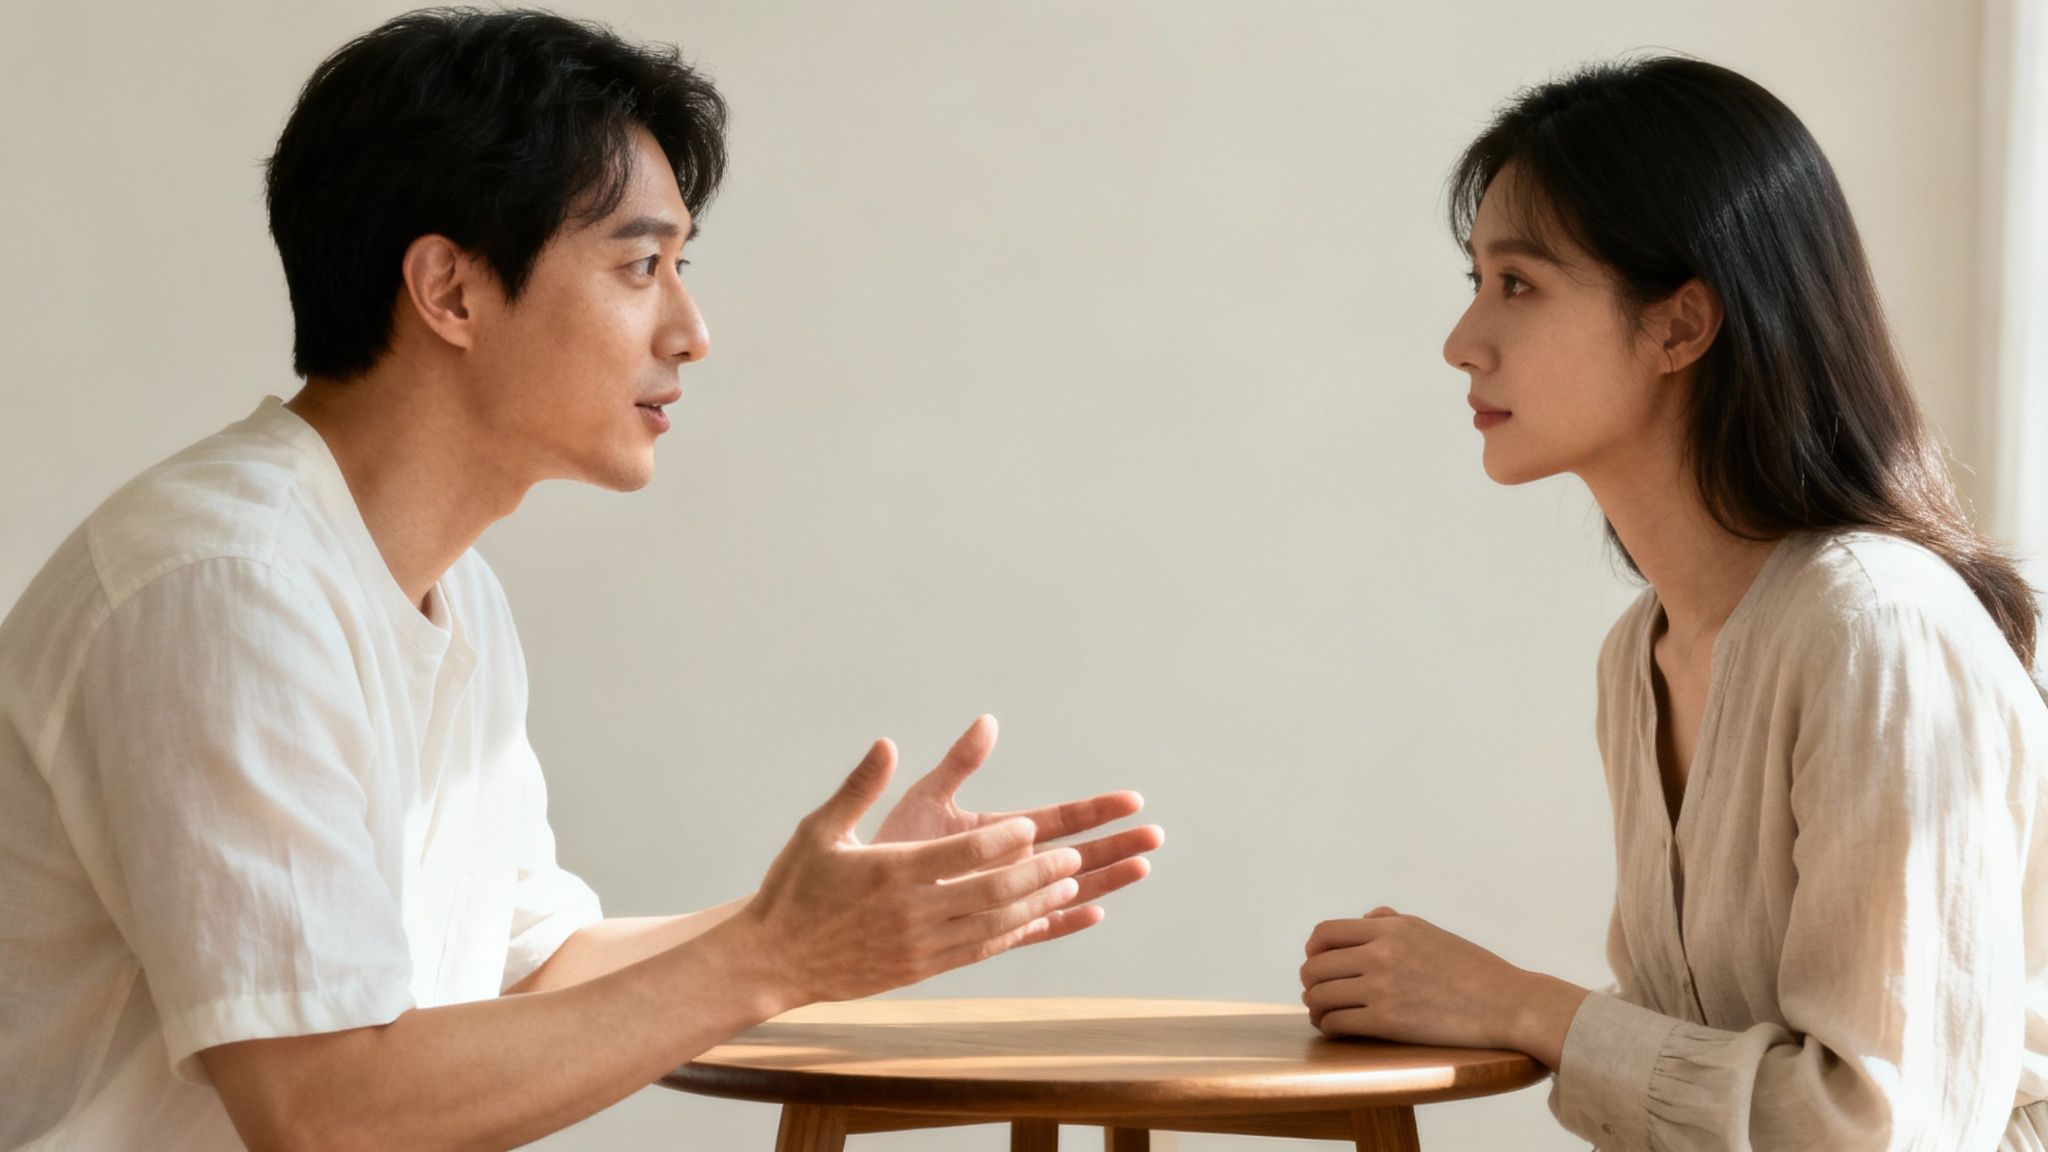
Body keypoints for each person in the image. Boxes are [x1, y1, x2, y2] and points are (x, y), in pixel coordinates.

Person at [0, 9, 1162, 1150]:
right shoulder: (223, 587)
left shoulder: (447, 590)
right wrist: (774, 956)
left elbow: (538, 966)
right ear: (449, 291)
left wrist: (842, 915)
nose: (692, 329)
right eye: (641, 265)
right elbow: (325, 1112)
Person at [1297, 57, 2048, 1150]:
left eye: (1517, 283)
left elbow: (1883, 1132)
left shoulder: (1874, 627)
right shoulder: (1639, 655)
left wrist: (1519, 1006)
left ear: (1678, 326)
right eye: (1474, 282)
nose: (1461, 343)